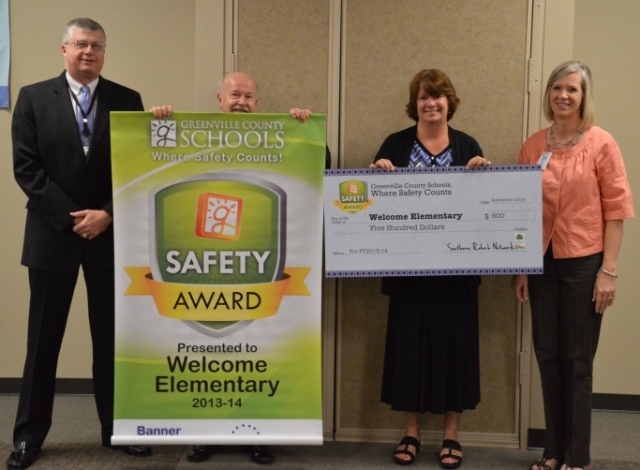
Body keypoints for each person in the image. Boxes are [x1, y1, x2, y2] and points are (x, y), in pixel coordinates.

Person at [152, 71, 329, 466]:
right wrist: (156, 122)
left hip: (254, 268)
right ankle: (205, 437)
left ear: (257, 102)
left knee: (254, 357)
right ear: (219, 99)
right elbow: (146, 152)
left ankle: (257, 438)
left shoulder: (275, 139)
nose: (242, 102)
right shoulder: (193, 136)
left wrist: (304, 130)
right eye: (235, 95)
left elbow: (319, 165)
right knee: (209, 360)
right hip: (204, 267)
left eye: (249, 96)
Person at [7, 18, 152, 470]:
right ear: (64, 49)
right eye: (81, 44)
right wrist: (74, 218)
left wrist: (107, 213)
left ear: (105, 52)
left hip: (109, 236)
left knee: (112, 339)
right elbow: (26, 168)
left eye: (97, 46)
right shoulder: (33, 97)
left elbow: (138, 168)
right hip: (53, 235)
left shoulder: (127, 100)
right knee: (43, 342)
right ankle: (29, 437)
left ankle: (117, 430)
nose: (89, 52)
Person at [512, 61, 634, 470]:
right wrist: (521, 268)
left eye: (572, 89)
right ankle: (552, 451)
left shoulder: (601, 143)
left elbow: (616, 210)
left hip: (585, 264)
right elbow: (521, 211)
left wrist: (608, 271)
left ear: (584, 97)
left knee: (578, 362)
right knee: (548, 357)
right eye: (557, 88)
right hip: (541, 264)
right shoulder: (533, 146)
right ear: (548, 94)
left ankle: (576, 458)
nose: (563, 95)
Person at [369, 69, 490, 469]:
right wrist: (376, 178)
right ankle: (412, 432)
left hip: (456, 272)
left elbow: (483, 210)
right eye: (423, 97)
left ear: (449, 102)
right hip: (409, 272)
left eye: (437, 96)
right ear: (415, 103)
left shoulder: (468, 145)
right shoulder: (395, 144)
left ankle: (451, 434)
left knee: (455, 349)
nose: (431, 103)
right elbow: (372, 209)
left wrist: (486, 179)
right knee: (410, 350)